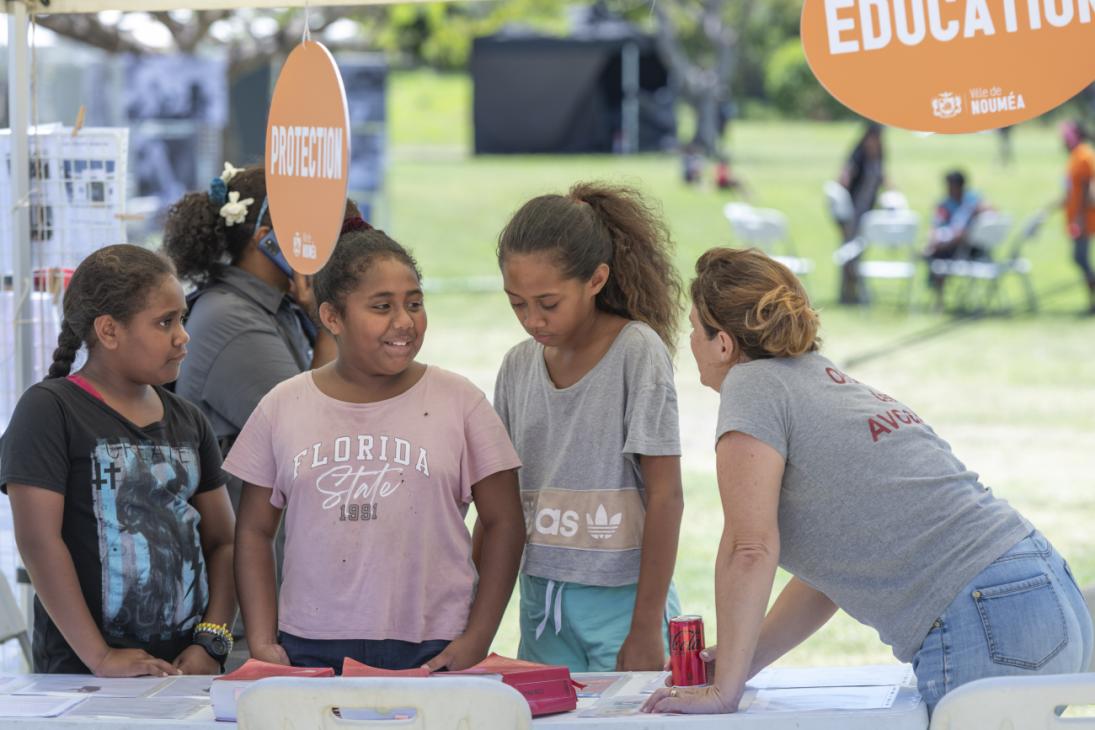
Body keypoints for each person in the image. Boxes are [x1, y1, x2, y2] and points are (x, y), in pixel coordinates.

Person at [642, 247, 1093, 717]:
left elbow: (749, 547)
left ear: (723, 344)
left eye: (694, 328)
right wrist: (739, 662)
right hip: (1047, 592)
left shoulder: (751, 385)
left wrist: (723, 693)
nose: (688, 342)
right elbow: (829, 578)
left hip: (985, 613)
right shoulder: (819, 375)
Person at [227, 229, 526, 672]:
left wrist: (477, 638)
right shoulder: (281, 406)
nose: (404, 321)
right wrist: (261, 637)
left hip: (434, 646)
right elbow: (252, 530)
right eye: (382, 306)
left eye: (415, 303)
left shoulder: (460, 401)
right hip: (307, 646)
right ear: (332, 317)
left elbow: (506, 522)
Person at [0, 245, 237, 676]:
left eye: (181, 318)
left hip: (186, 671)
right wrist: (101, 657)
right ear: (109, 331)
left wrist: (213, 640)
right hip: (82, 678)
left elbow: (224, 542)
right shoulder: (50, 410)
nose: (182, 336)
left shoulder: (189, 420)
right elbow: (39, 542)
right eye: (165, 322)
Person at [491, 182, 685, 672]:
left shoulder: (636, 353)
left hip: (624, 605)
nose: (532, 319)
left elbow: (666, 496)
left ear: (597, 279)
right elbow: (500, 508)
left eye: (548, 303)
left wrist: (645, 628)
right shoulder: (517, 367)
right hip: (541, 605)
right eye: (517, 303)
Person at [924, 170, 990, 306]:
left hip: (972, 249)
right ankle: (939, 298)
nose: (949, 189)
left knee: (939, 251)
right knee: (937, 251)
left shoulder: (972, 201)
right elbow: (936, 225)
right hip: (949, 246)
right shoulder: (945, 204)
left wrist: (977, 212)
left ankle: (938, 299)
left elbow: (991, 211)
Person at [837, 123, 886, 304]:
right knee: (849, 252)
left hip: (867, 213)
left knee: (859, 253)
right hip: (853, 213)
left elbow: (882, 178)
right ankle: (848, 293)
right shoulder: (858, 157)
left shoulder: (879, 156)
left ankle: (856, 291)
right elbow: (843, 179)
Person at [1061, 121, 1095, 314]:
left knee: (1080, 258)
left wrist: (1079, 220)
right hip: (1078, 217)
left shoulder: (1083, 155)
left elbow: (1084, 189)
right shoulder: (1076, 155)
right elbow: (1071, 188)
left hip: (1084, 218)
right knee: (1080, 258)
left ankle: (1093, 302)